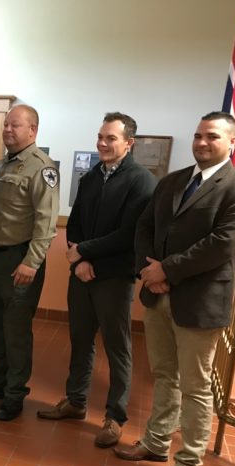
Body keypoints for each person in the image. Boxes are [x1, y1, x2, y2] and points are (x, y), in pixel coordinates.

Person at [114, 112, 235, 466]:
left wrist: (166, 270)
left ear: (232, 142)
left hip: (200, 302)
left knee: (195, 386)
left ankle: (188, 464)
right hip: (158, 295)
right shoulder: (173, 181)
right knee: (165, 375)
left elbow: (222, 244)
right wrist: (149, 270)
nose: (201, 142)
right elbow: (144, 226)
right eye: (198, 135)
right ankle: (156, 442)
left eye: (211, 136)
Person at [37, 112, 156, 445]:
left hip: (114, 278)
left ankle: (115, 417)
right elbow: (74, 222)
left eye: (111, 138)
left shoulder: (142, 181)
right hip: (82, 274)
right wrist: (80, 259)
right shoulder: (91, 176)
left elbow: (129, 233)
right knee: (80, 340)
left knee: (118, 348)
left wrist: (84, 253)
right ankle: (76, 401)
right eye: (100, 137)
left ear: (129, 143)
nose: (102, 143)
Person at [0, 104, 59, 421]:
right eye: (6, 125)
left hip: (20, 260)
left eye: (15, 125)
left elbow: (47, 222)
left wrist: (32, 262)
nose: (7, 130)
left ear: (33, 130)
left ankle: (15, 393)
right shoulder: (4, 164)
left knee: (16, 331)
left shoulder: (41, 167)